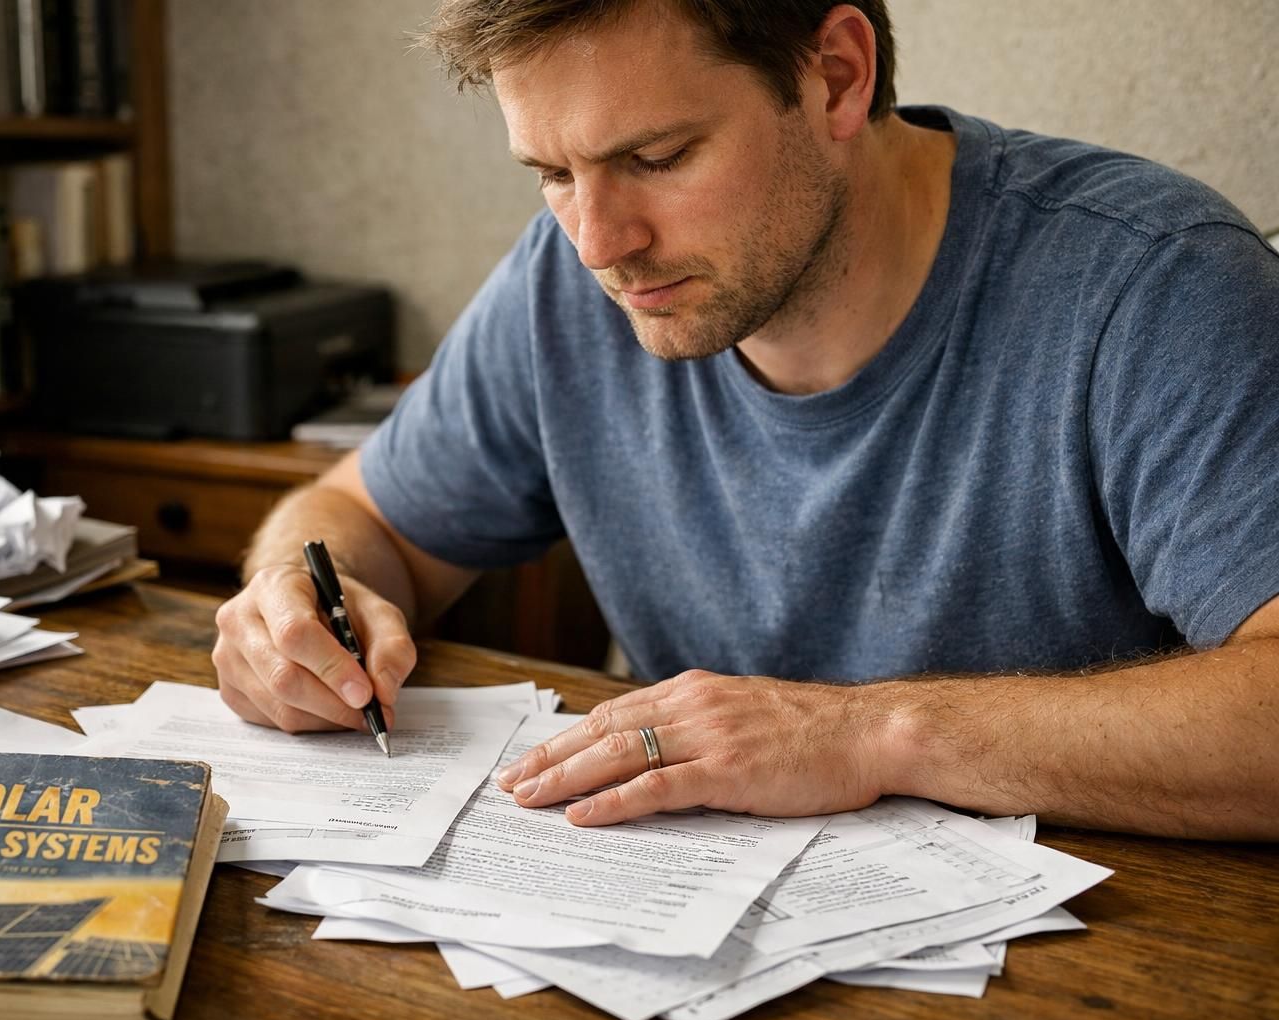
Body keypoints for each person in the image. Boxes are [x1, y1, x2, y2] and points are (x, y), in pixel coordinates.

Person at [213, 0, 1279, 840]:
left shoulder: (1153, 281)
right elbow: (363, 518)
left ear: (836, 78)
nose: (599, 242)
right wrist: (295, 600)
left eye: (658, 158)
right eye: (551, 173)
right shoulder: (570, 283)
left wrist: (868, 733)